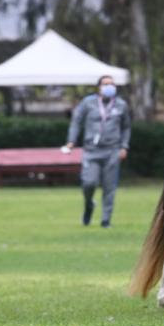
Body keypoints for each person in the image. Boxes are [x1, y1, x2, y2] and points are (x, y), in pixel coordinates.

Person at [66, 75, 131, 228]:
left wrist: (124, 146)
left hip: (112, 150)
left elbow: (126, 127)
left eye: (111, 84)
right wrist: (71, 141)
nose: (109, 87)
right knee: (89, 183)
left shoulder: (121, 105)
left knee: (110, 187)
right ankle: (89, 205)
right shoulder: (88, 103)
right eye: (105, 84)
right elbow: (76, 121)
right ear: (99, 87)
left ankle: (106, 220)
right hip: (91, 150)